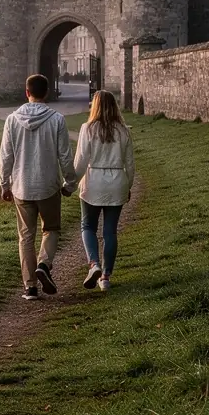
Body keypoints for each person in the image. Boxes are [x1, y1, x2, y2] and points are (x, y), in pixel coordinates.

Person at [0, 73, 78, 300]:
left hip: (21, 186)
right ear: (47, 93)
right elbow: (65, 155)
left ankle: (30, 287)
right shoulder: (57, 120)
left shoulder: (12, 120)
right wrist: (70, 183)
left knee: (25, 236)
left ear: (27, 92)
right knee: (51, 229)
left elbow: (6, 156)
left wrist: (4, 184)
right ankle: (44, 264)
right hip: (49, 186)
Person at [73, 90, 135, 292]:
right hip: (117, 181)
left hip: (93, 181)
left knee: (88, 226)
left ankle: (94, 264)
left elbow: (81, 161)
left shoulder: (88, 128)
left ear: (95, 106)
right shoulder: (124, 130)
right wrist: (129, 186)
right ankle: (106, 277)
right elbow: (130, 164)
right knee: (110, 231)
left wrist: (71, 182)